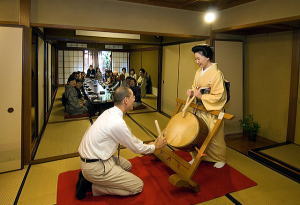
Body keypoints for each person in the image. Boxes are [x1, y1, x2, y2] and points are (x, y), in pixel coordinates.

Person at [77, 87, 167, 199]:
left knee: (127, 166)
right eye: (133, 96)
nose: (135, 98)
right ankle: (90, 186)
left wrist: (151, 145)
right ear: (125, 100)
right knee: (137, 186)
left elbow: (130, 138)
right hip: (95, 166)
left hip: (95, 158)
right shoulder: (117, 122)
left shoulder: (109, 112)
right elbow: (136, 148)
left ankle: (91, 177)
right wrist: (155, 146)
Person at [186, 45, 227, 169]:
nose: (197, 62)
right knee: (198, 133)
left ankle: (220, 158)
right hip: (199, 109)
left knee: (214, 136)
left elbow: (219, 95)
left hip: (212, 109)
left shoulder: (217, 73)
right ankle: (197, 156)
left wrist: (202, 96)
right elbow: (195, 87)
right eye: (195, 59)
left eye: (199, 59)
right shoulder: (198, 72)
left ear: (207, 57)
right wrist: (192, 92)